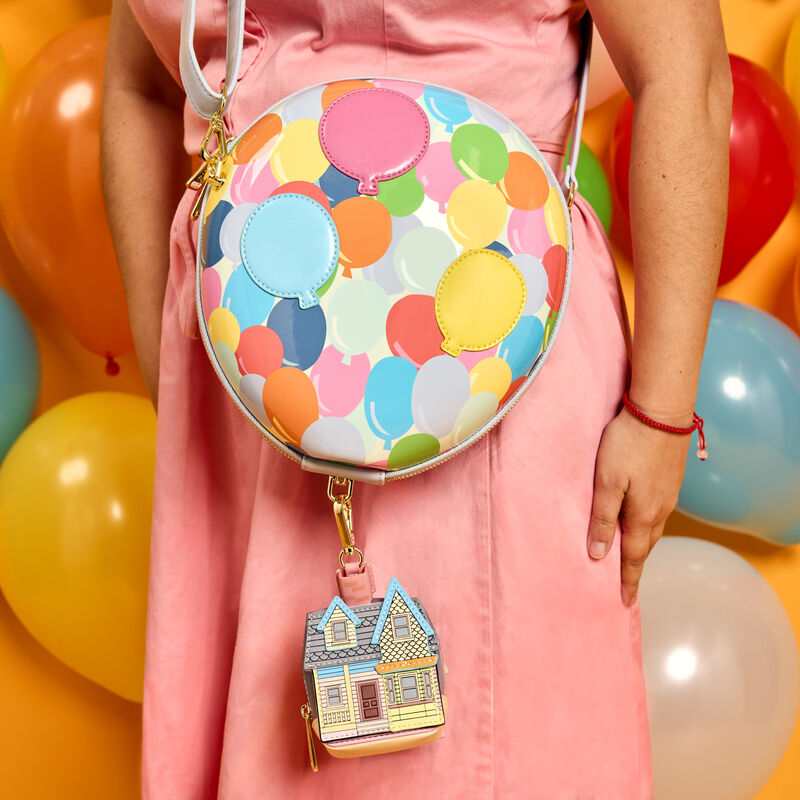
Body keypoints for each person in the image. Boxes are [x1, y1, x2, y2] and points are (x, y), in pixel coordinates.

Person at [101, 1, 732, 797]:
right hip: (250, 376)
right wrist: (178, 364)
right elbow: (138, 87)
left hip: (498, 357)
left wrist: (662, 411)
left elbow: (686, 71)